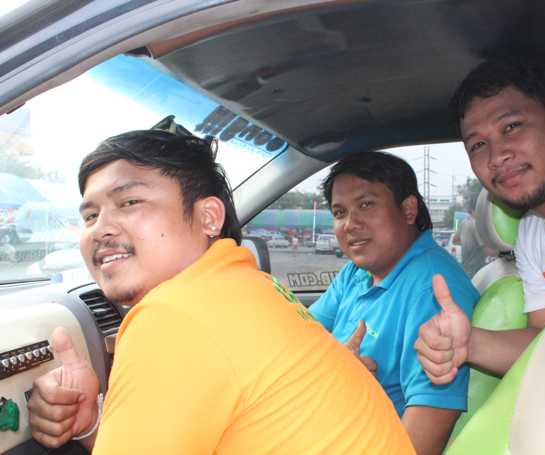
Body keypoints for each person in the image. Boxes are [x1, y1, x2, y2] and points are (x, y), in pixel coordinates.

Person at [27, 118, 415, 454]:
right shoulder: (247, 287)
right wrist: (93, 425)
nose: (101, 229)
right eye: (90, 215)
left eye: (129, 202)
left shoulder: (174, 317)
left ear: (209, 217)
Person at [415, 59, 545, 383]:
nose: (497, 156)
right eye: (478, 145)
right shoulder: (530, 232)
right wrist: (468, 344)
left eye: (511, 127)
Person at [308, 151, 479, 455]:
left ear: (408, 210)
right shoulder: (356, 273)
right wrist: (337, 372)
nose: (350, 224)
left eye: (366, 205)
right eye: (339, 212)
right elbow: (300, 341)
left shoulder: (433, 291)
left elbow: (420, 441)